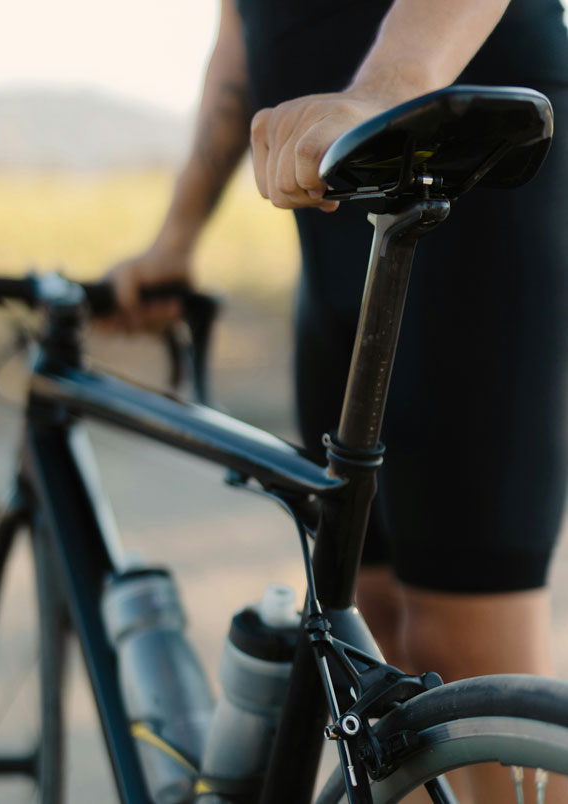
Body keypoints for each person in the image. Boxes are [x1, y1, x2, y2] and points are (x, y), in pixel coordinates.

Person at [104, 1, 568, 799]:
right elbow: (240, 37)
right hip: (335, 204)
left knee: (464, 652)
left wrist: (392, 82)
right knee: (376, 653)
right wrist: (176, 236)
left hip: (470, 151)